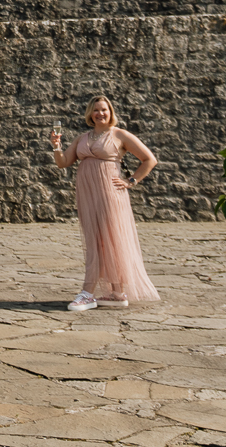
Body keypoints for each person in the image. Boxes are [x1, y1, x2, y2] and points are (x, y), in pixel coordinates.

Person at [51, 95, 161, 312]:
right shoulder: (83, 138)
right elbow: (63, 163)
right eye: (96, 110)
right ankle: (117, 293)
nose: (100, 113)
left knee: (108, 238)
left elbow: (150, 159)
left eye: (104, 110)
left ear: (111, 112)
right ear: (90, 114)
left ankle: (88, 293)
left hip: (110, 192)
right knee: (98, 239)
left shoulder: (119, 134)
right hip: (87, 193)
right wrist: (56, 146)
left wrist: (131, 181)